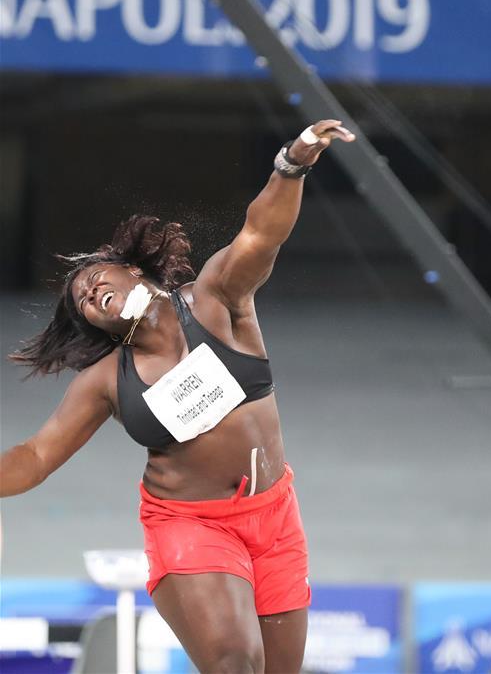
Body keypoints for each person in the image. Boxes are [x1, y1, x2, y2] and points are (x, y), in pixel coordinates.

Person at [0, 119, 356, 674]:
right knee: (237, 662)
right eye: (85, 303)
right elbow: (38, 456)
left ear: (133, 269)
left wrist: (292, 163)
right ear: (97, 327)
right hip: (192, 525)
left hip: (276, 514)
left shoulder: (215, 300)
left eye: (95, 278)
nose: (91, 292)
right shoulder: (104, 380)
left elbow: (262, 234)